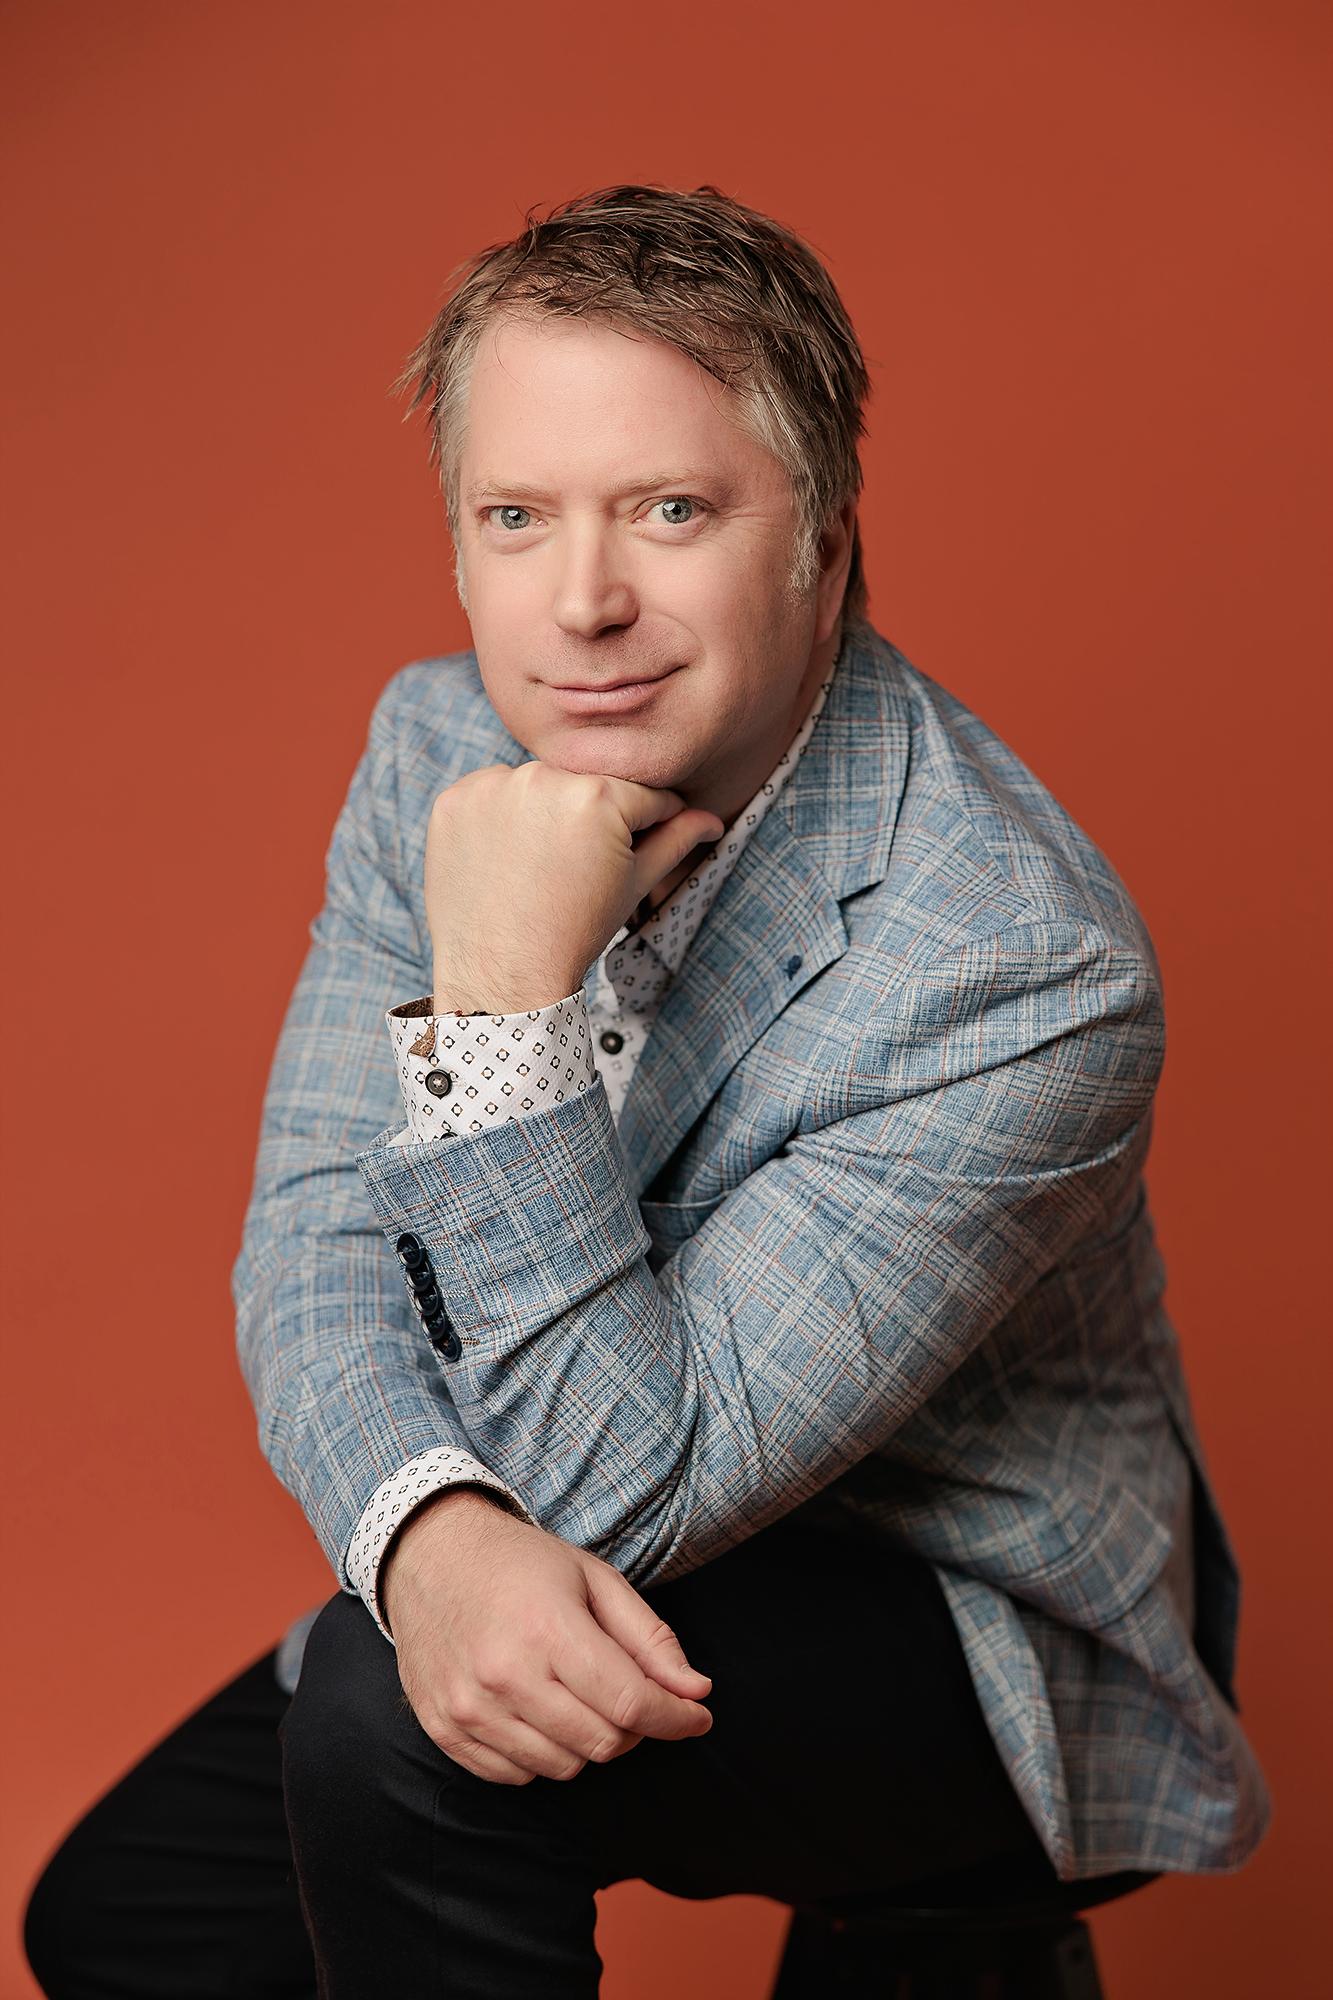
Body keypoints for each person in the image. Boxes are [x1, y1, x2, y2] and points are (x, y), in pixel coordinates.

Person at [23, 182, 1269, 1999]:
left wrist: (508, 995)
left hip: (957, 1612)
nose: (584, 602)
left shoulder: (1018, 956)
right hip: (591, 1498)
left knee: (394, 1729)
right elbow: (312, 1235)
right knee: (133, 1912)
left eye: (671, 511)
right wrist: (429, 1537)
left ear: (823, 546)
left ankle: (947, 1922)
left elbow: (621, 1487)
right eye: (516, 518)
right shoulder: (432, 746)